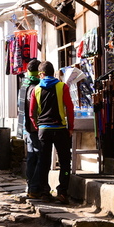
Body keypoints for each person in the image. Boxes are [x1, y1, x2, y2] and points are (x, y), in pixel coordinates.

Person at [29, 61, 74, 204]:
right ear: (53, 73)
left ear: (41, 74)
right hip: (60, 129)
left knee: (44, 162)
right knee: (65, 162)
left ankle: (44, 192)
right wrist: (70, 127)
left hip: (44, 130)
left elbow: (31, 113)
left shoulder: (35, 89)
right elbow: (70, 108)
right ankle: (63, 191)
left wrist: (37, 126)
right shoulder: (62, 86)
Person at [17, 59, 41, 199]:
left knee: (31, 157)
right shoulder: (36, 87)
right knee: (37, 157)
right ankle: (34, 187)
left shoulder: (24, 85)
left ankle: (29, 185)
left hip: (26, 128)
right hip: (35, 128)